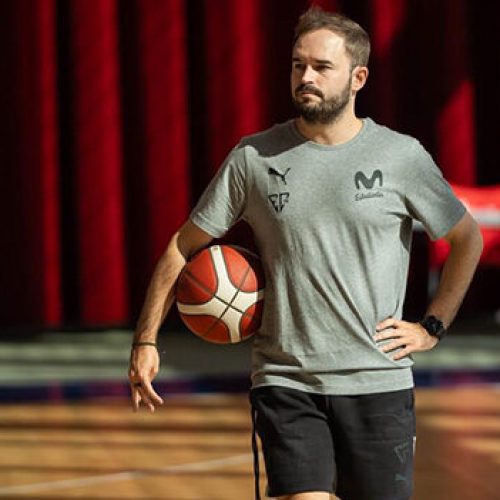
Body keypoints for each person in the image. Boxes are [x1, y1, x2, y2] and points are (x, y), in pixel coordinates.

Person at [128, 6, 483, 500]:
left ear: (358, 77)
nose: (306, 77)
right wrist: (146, 341)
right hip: (285, 380)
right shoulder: (254, 158)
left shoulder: (400, 156)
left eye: (321, 67)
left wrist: (432, 327)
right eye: (298, 65)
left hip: (377, 382)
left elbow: (468, 238)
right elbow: (179, 248)